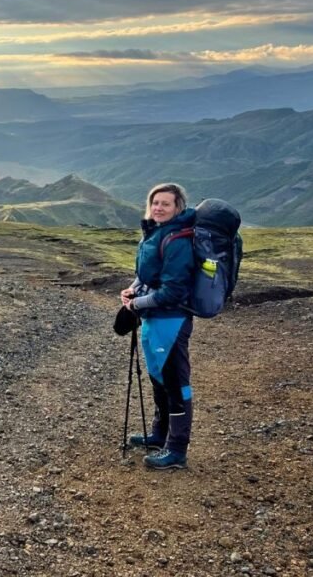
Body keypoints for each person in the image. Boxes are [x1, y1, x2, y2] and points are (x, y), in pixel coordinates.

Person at [120, 182, 196, 470]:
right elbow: (148, 274)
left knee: (176, 383)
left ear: (178, 208)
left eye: (166, 203)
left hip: (171, 320)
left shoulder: (178, 241)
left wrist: (137, 304)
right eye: (155, 202)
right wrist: (133, 289)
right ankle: (159, 435)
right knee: (159, 378)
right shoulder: (157, 233)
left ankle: (176, 450)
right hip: (154, 318)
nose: (158, 208)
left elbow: (173, 292)